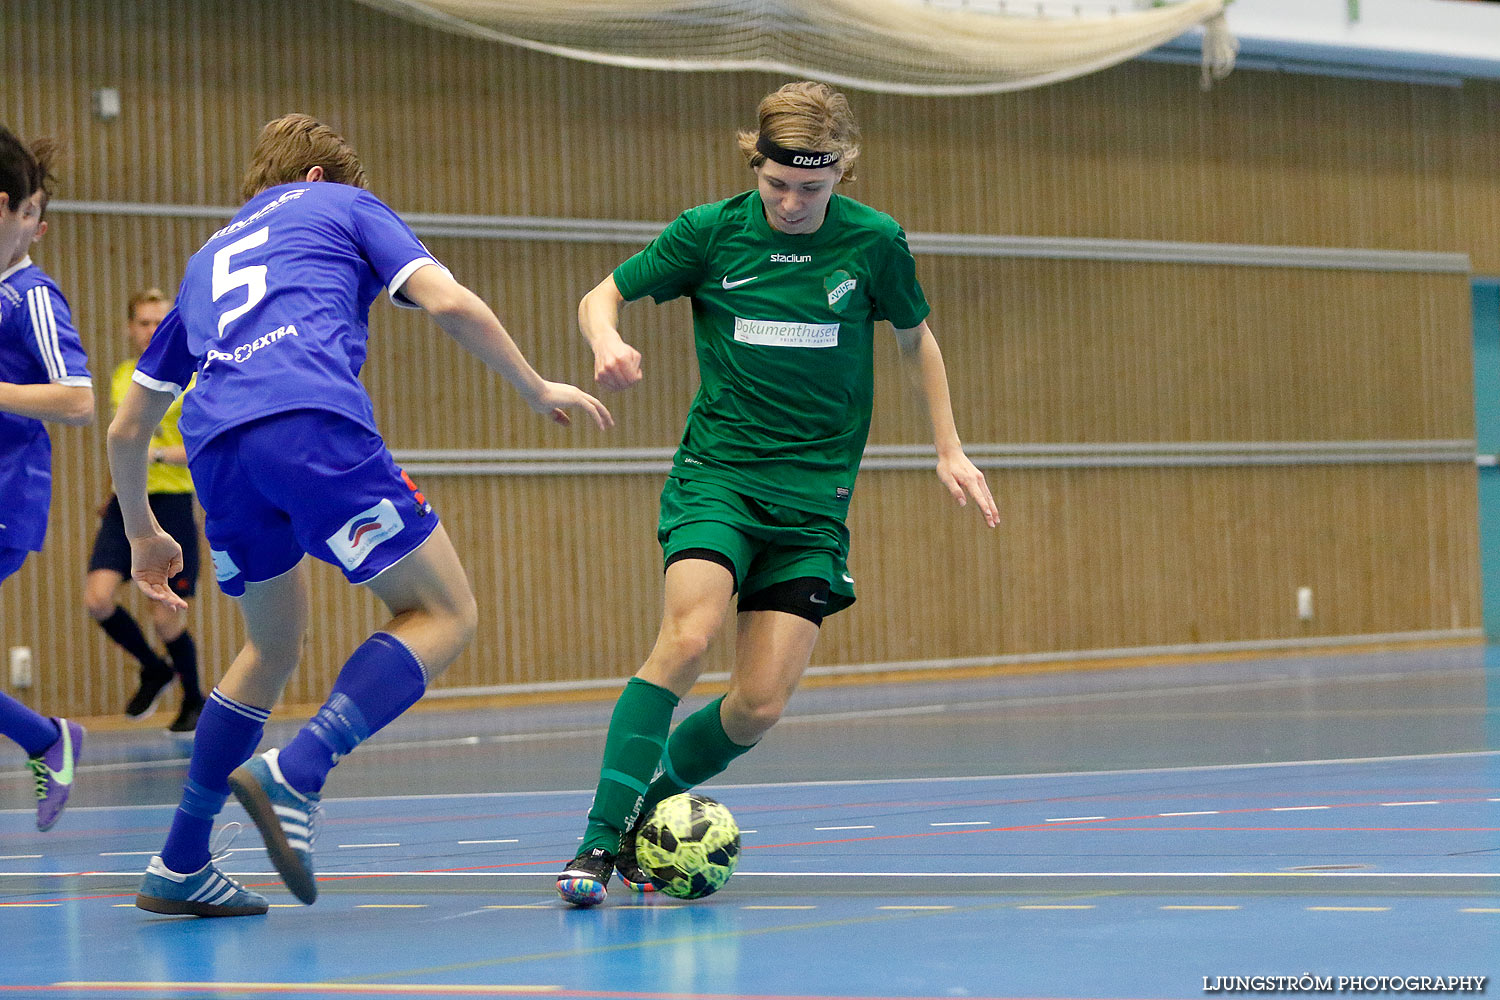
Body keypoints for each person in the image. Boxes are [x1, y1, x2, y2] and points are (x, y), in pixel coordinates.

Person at [109, 114, 612, 917]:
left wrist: (143, 531)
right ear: (317, 180)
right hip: (309, 421)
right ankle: (299, 769)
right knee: (445, 611)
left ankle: (179, 861)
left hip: (215, 455)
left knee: (269, 647)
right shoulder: (344, 206)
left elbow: (127, 427)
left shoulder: (207, 259)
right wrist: (535, 385)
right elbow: (448, 300)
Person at [556, 82, 998, 906]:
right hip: (719, 478)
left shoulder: (874, 245)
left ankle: (640, 817)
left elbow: (915, 338)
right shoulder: (711, 233)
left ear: (842, 178)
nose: (793, 203)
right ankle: (593, 839)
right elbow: (601, 293)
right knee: (688, 637)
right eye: (778, 184)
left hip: (813, 504)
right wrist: (607, 337)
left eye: (812, 189)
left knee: (756, 706)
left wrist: (949, 445)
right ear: (753, 163)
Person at [0, 126, 92, 831]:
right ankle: (45, 738)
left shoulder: (31, 295)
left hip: (8, 494)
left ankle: (47, 738)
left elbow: (79, 400)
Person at [85, 287, 205, 732]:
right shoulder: (122, 377)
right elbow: (122, 444)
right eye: (144, 323)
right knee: (97, 598)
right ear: (129, 328)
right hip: (126, 503)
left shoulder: (191, 377)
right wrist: (111, 489)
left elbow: (198, 445)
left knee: (165, 614)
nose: (152, 330)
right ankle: (154, 670)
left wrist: (155, 455)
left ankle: (194, 699)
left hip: (172, 504)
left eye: (160, 321)